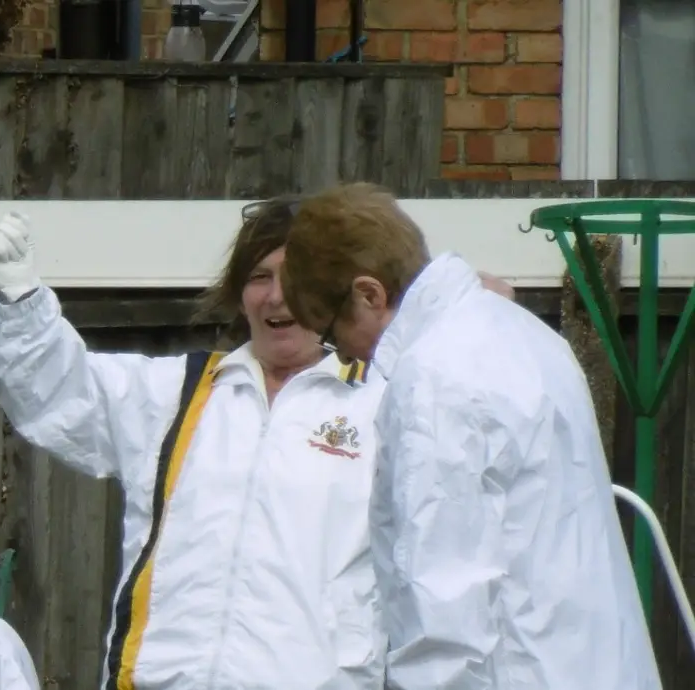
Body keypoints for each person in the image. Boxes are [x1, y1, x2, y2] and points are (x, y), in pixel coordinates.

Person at [0, 196, 396, 689]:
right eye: (260, 277)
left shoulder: (381, 405)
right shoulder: (177, 392)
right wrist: (21, 302)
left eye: (298, 277)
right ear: (240, 293)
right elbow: (58, 391)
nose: (278, 296)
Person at [277, 182, 661, 690]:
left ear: (369, 294)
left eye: (330, 332)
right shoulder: (519, 330)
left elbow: (443, 620)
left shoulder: (433, 377)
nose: (342, 355)